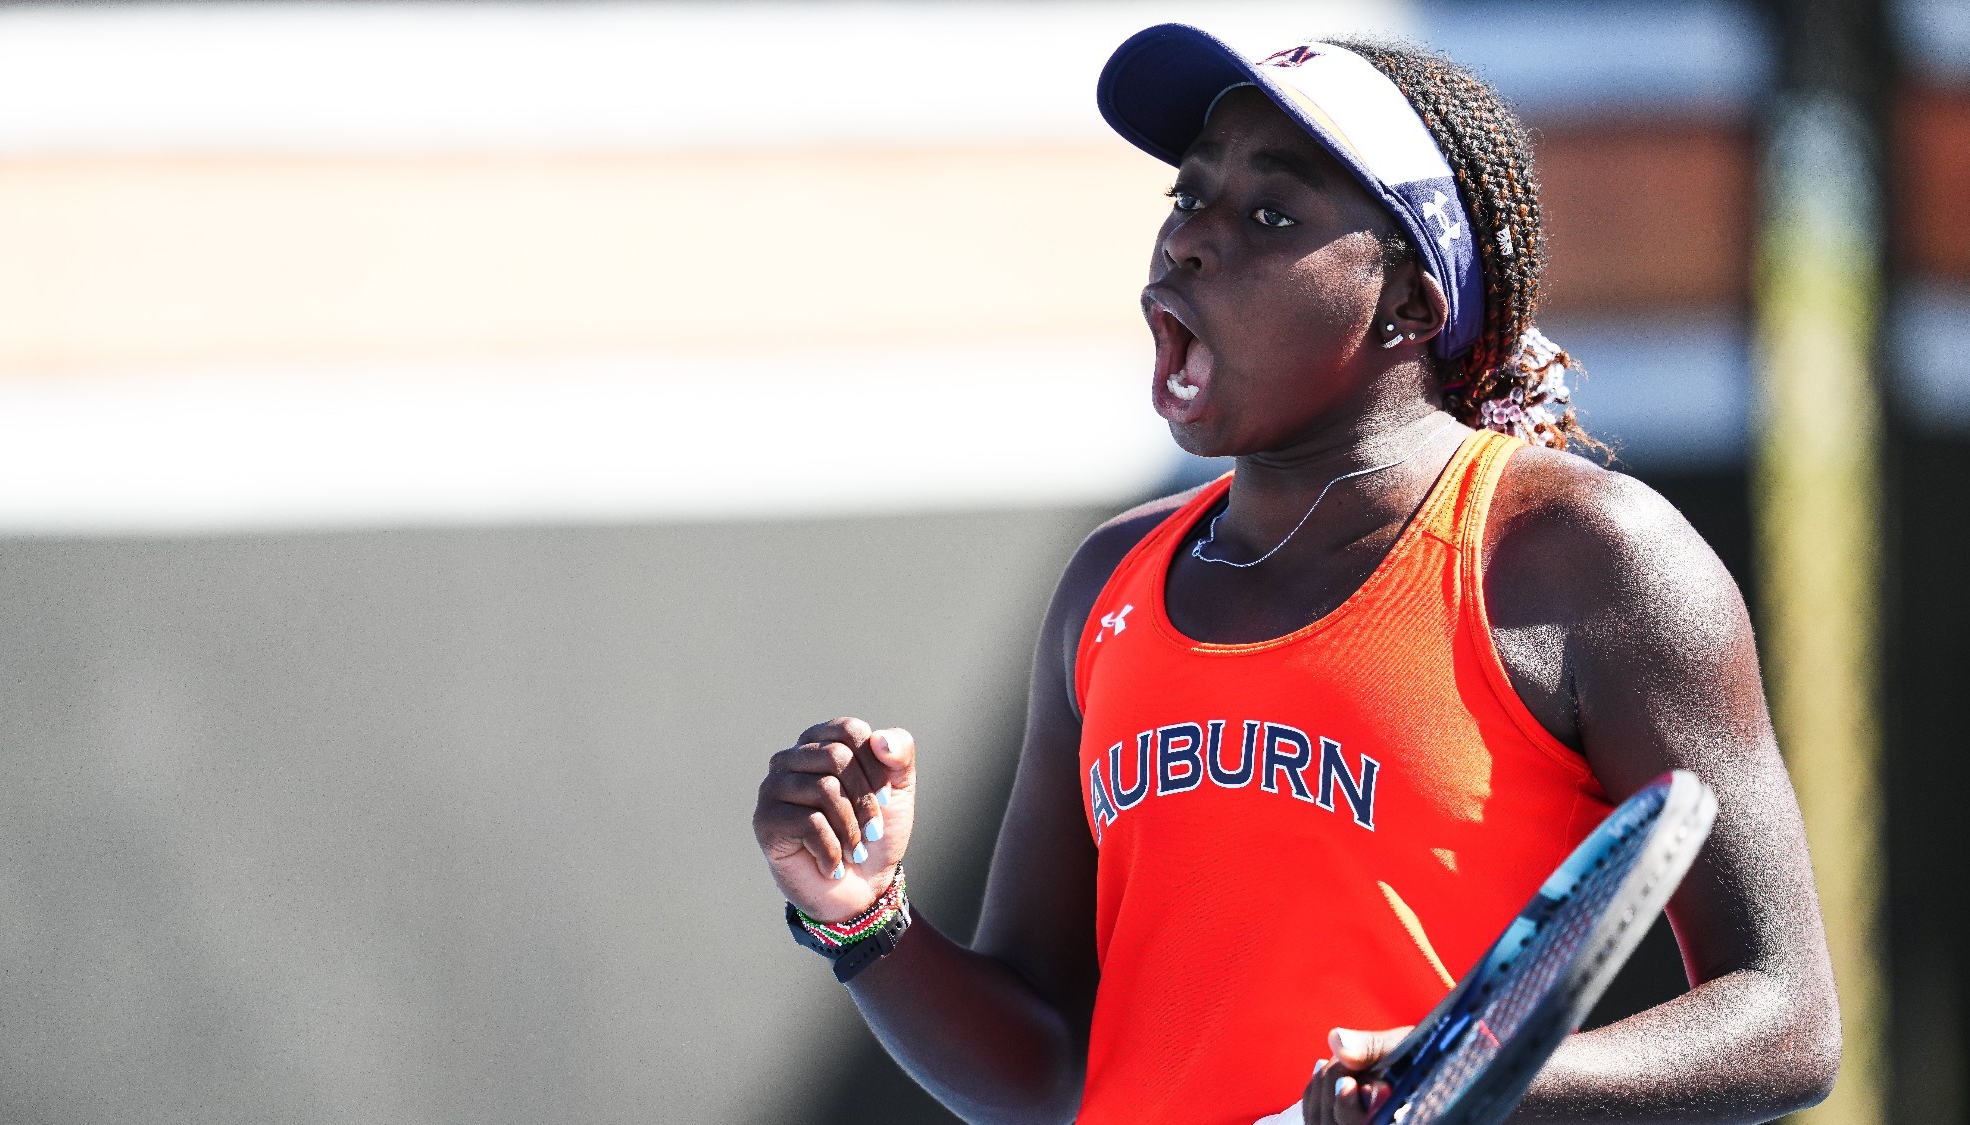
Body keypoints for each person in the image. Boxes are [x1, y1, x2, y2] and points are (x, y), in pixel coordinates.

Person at [751, 25, 1840, 1125]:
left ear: (1409, 303)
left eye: (1270, 215)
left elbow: (1785, 1021)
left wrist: (1468, 1078)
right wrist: (859, 918)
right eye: (1187, 196)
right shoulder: (1107, 585)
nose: (1188, 241)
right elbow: (1042, 1073)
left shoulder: (1575, 559)